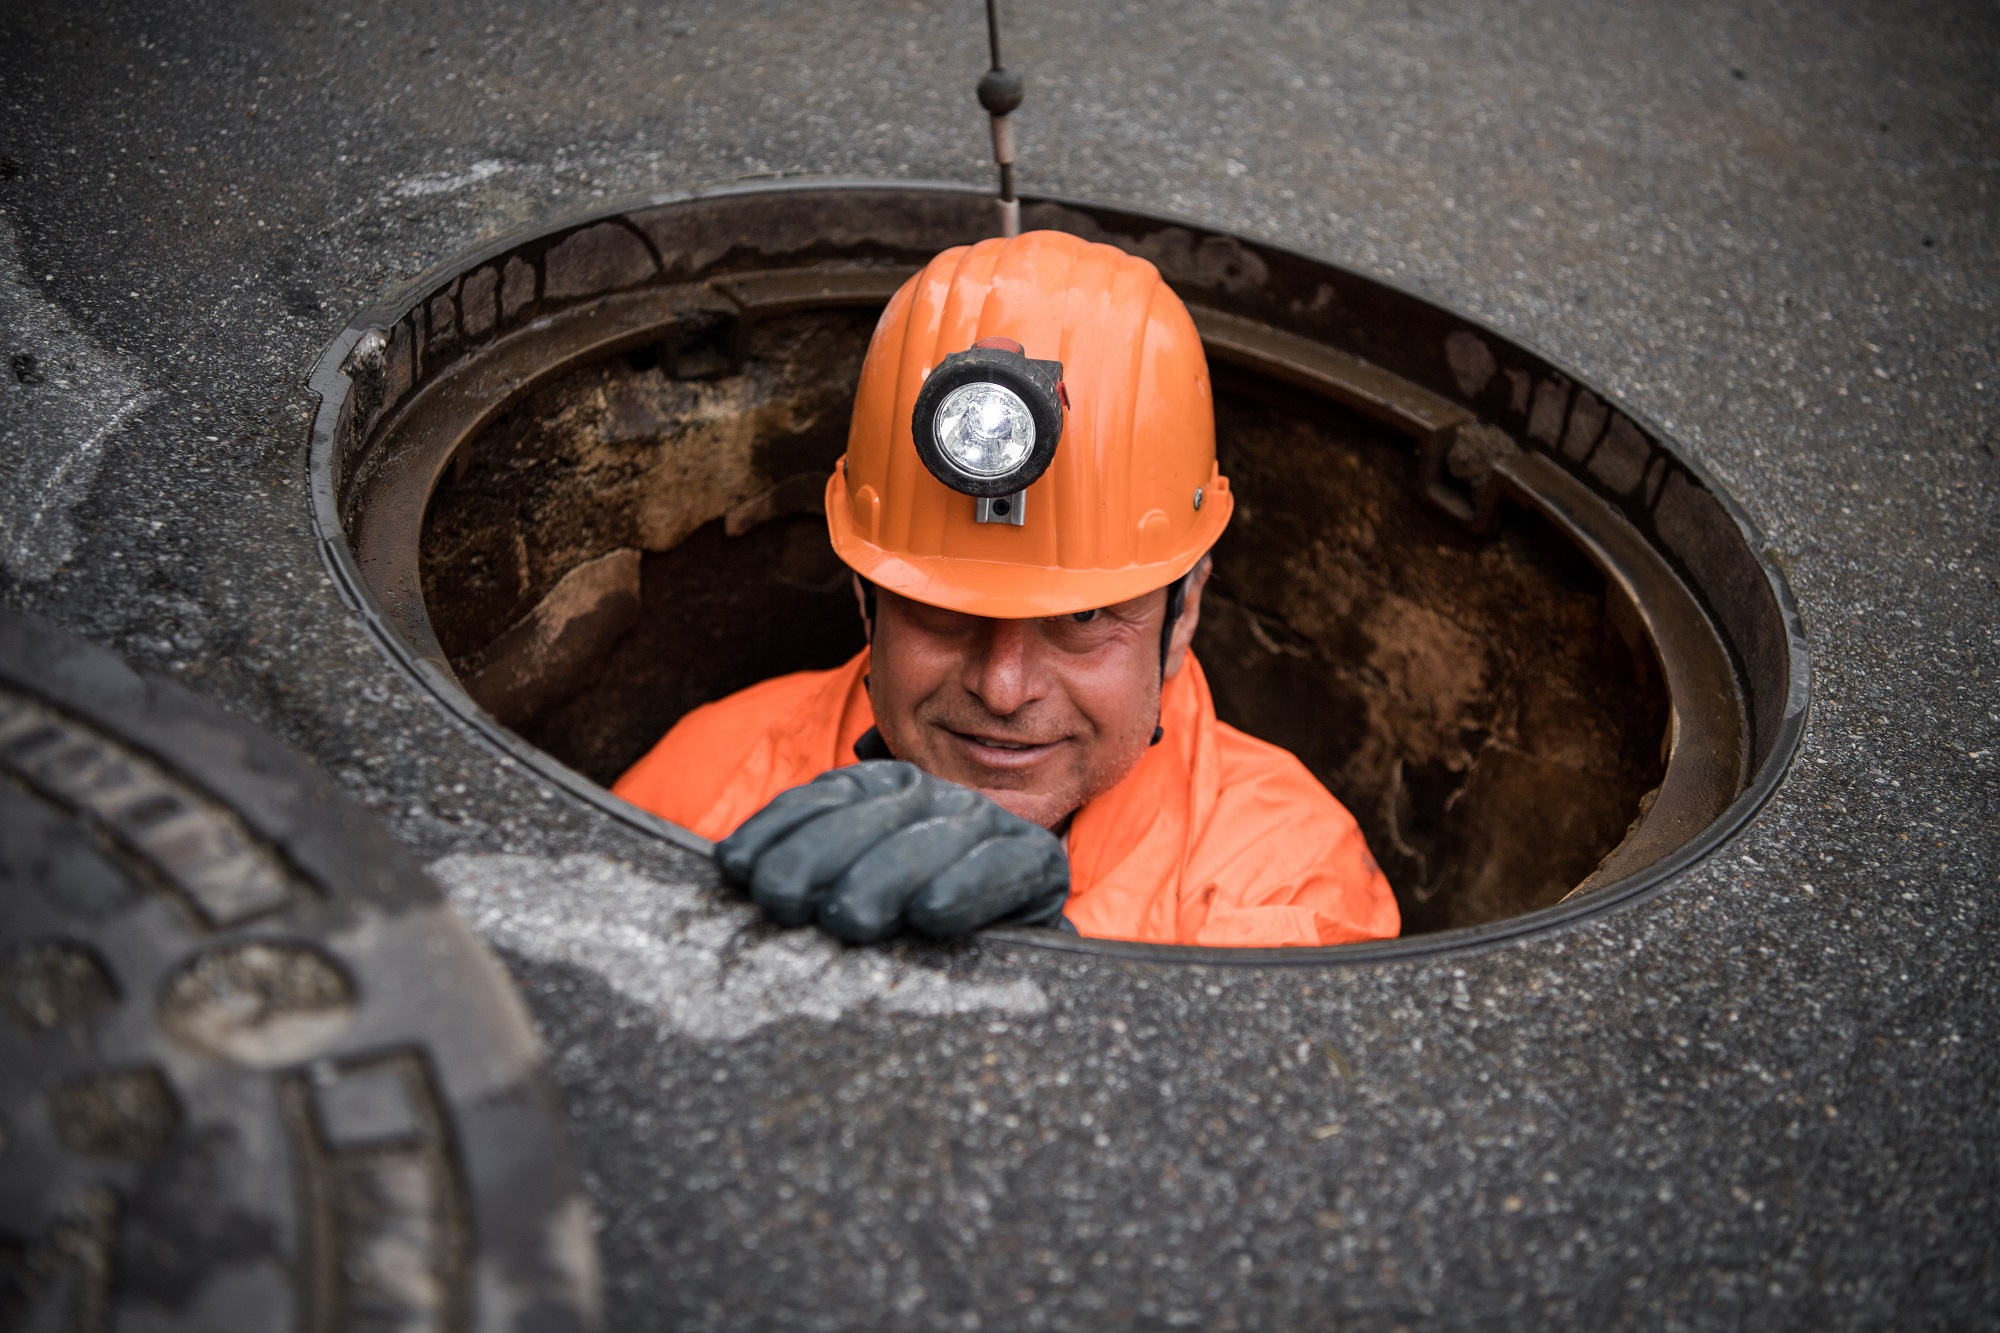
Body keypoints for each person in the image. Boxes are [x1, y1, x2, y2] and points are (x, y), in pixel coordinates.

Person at [615, 230, 1398, 949]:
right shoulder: (706, 790)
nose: (1002, 686)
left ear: (1183, 610)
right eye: (944, 611)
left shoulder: (1287, 879)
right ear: (865, 598)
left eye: (1082, 616)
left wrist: (1058, 975)